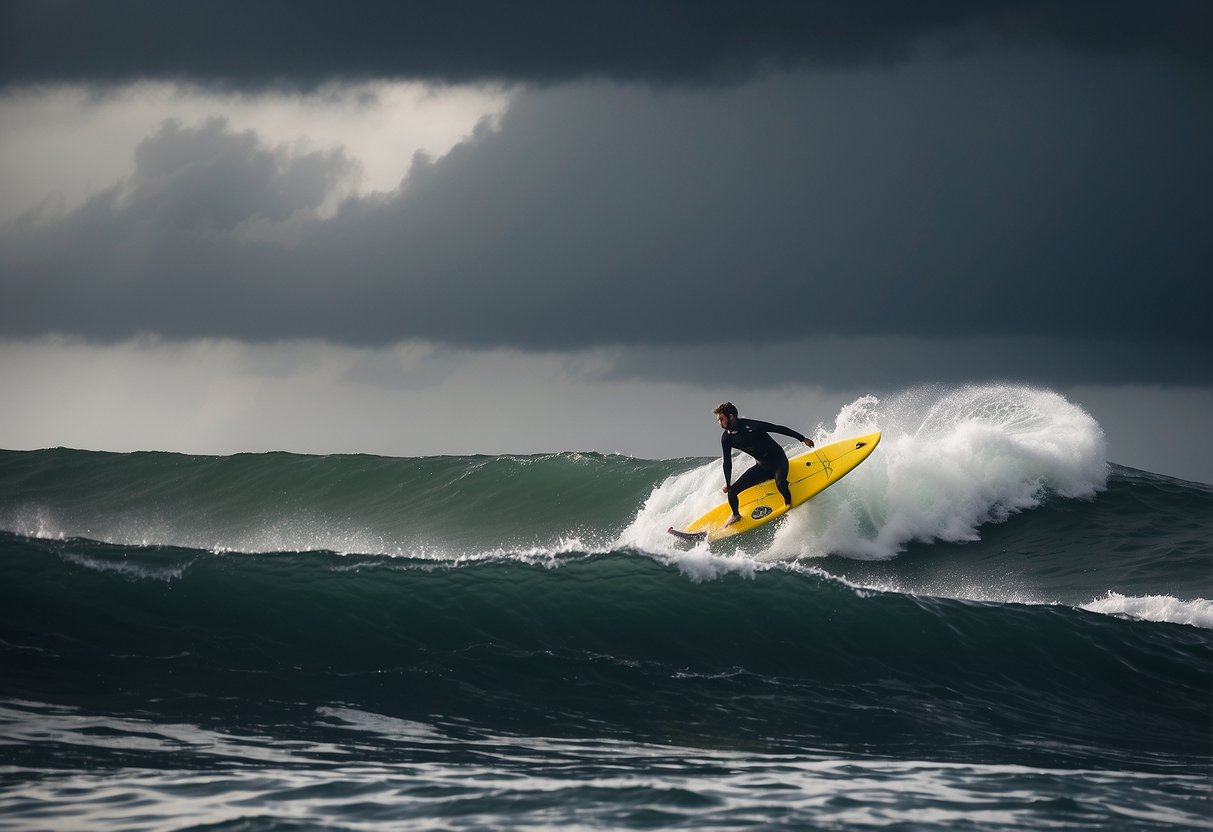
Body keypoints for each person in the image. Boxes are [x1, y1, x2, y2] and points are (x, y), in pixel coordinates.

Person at [714, 401, 814, 527]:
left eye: (721, 419)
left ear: (731, 416)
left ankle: (788, 505)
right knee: (732, 491)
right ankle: (735, 515)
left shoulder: (751, 426)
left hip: (778, 461)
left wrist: (802, 438)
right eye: (718, 420)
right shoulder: (726, 439)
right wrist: (728, 484)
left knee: (781, 484)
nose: (720, 423)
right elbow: (727, 462)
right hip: (762, 467)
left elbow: (777, 428)